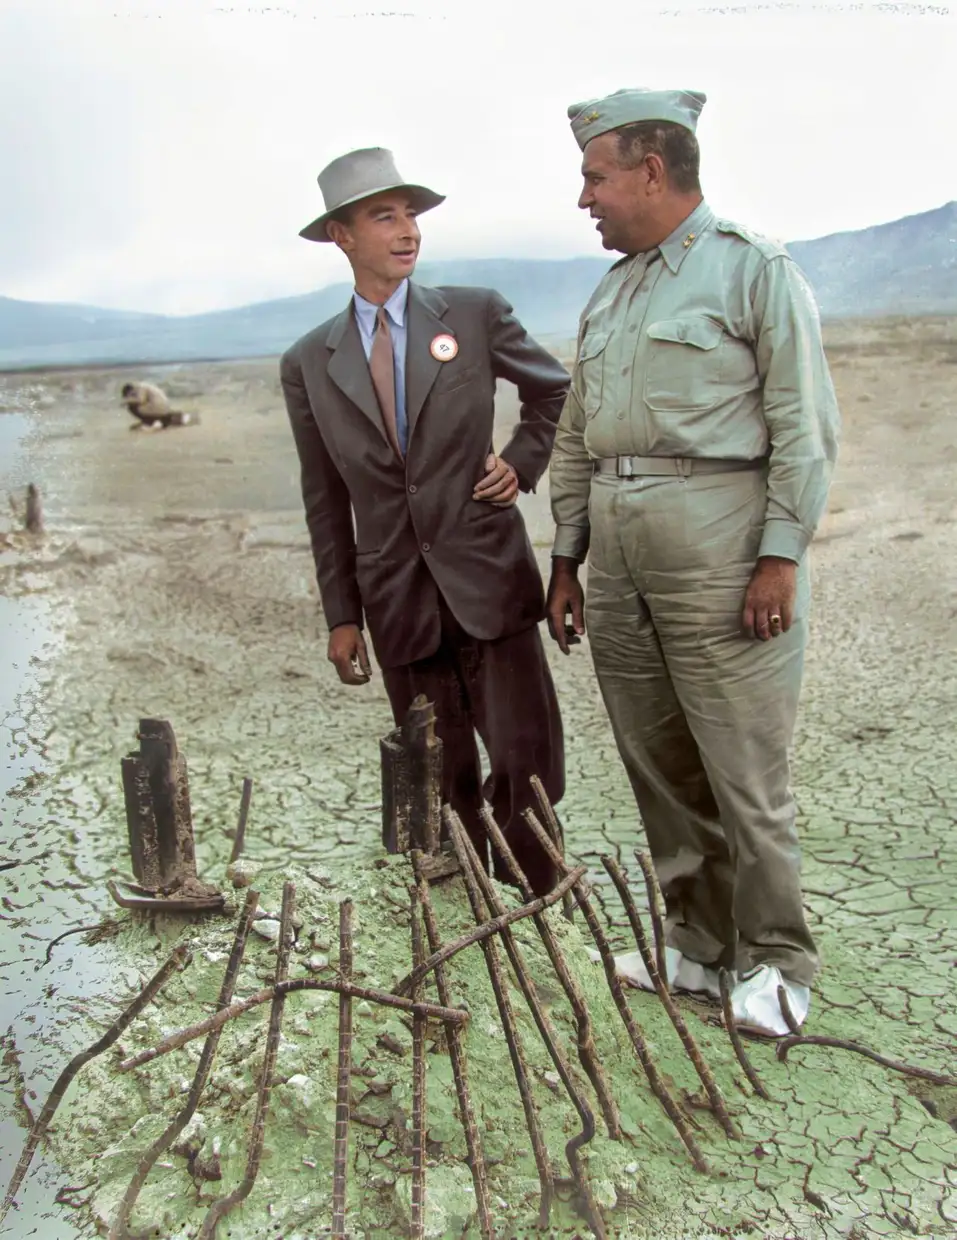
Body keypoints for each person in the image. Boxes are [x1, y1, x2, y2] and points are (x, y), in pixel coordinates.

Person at [546, 89, 840, 1036]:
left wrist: (779, 556)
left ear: (650, 171)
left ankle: (778, 961)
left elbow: (805, 424)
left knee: (742, 764)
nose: (584, 197)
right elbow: (576, 432)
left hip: (721, 547)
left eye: (595, 177)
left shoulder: (752, 269)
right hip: (620, 556)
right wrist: (566, 555)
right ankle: (701, 948)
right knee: (657, 758)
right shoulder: (613, 290)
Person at [280, 147, 570, 895]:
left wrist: (520, 460)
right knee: (440, 781)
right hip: (398, 604)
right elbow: (323, 496)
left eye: (411, 213)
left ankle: (542, 917)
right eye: (384, 216)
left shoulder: (473, 313)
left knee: (526, 771)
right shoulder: (310, 360)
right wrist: (342, 615)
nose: (407, 229)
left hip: (490, 586)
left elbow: (553, 394)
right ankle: (469, 930)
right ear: (341, 236)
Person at [120, 381, 194, 430]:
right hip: (164, 408)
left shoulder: (140, 388)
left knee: (131, 406)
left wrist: (127, 401)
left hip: (158, 408)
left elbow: (141, 400)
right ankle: (158, 420)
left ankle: (149, 423)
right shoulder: (144, 385)